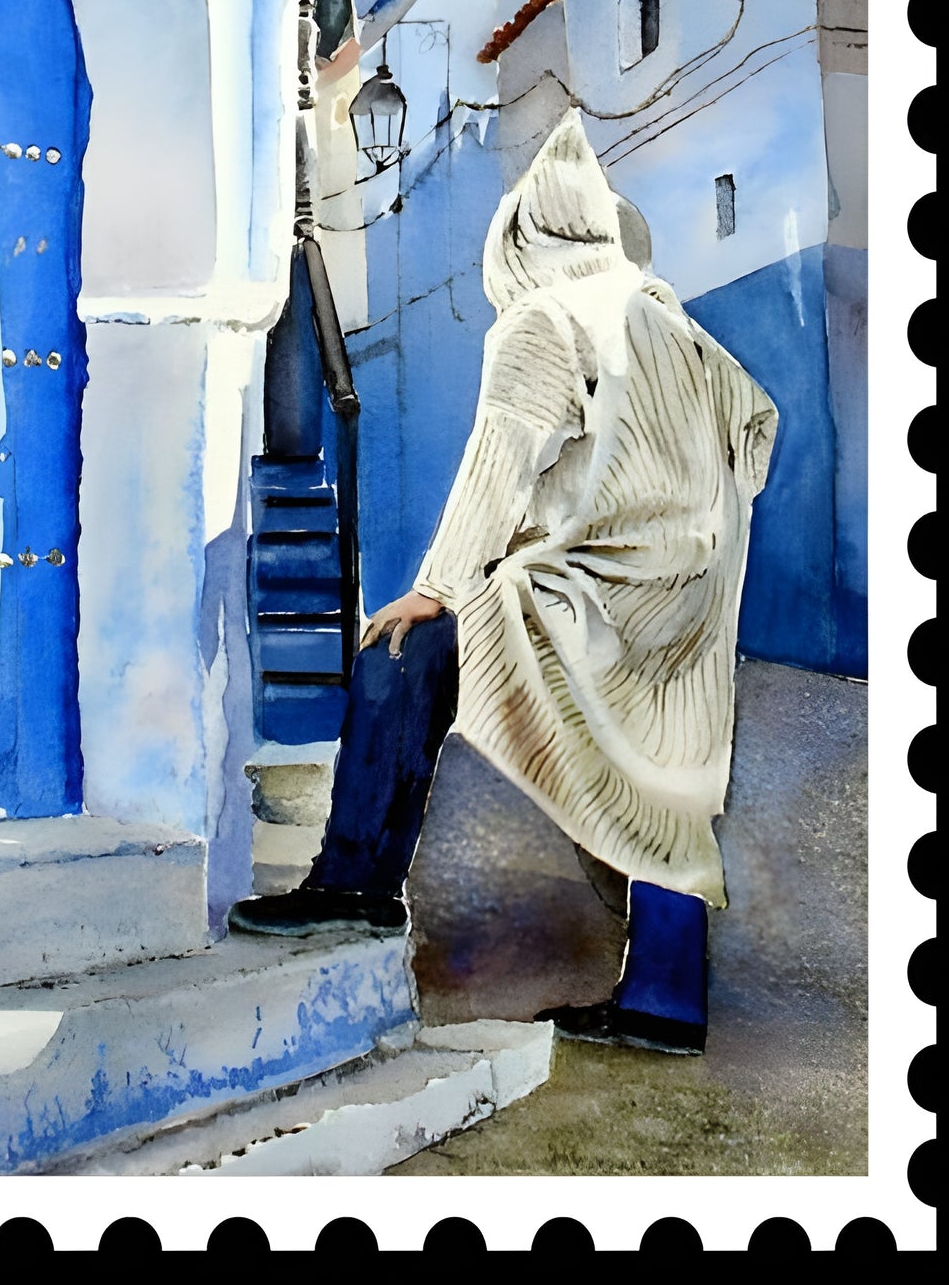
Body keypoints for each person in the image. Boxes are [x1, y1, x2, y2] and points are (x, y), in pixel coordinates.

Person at [231, 107, 778, 1056]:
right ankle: (663, 1001)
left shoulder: (543, 317)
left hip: (590, 595)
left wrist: (438, 586)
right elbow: (756, 432)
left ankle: (354, 887)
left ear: (522, 236)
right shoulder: (679, 328)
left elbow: (501, 457)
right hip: (686, 605)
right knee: (670, 789)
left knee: (405, 653)